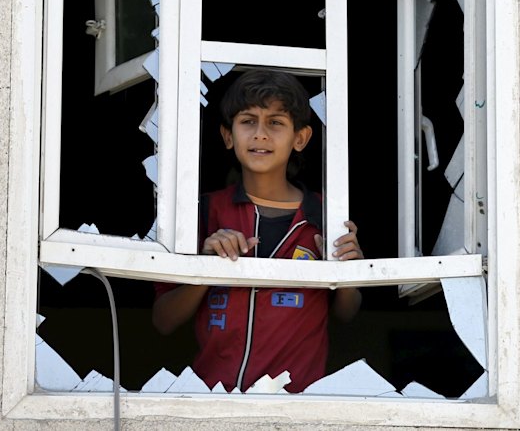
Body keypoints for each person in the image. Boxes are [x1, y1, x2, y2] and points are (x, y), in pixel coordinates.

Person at [152, 68, 364, 393]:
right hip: (209, 402)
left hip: (299, 407)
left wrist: (348, 275)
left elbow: (346, 315)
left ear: (300, 138)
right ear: (228, 136)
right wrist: (207, 268)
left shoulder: (326, 215)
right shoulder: (202, 212)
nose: (260, 134)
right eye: (248, 121)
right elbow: (163, 321)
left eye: (276, 122)